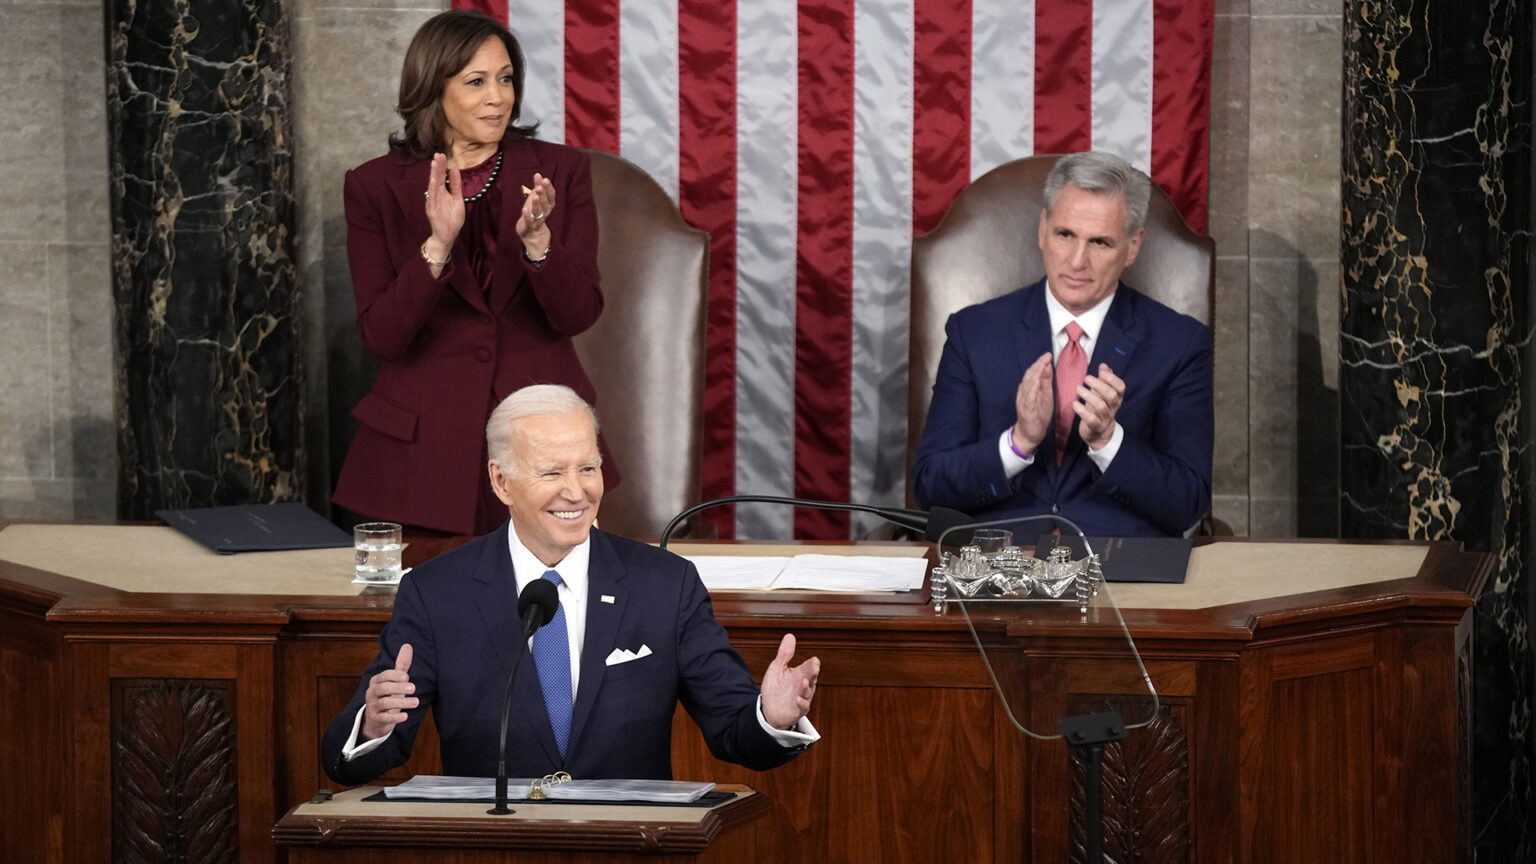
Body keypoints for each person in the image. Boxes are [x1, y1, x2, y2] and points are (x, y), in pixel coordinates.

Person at [321, 385, 821, 784]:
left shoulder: (665, 585)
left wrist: (772, 718)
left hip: (628, 845)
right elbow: (347, 762)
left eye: (588, 467)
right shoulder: (437, 593)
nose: (576, 491)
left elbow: (735, 732)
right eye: (552, 472)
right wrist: (372, 725)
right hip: (492, 847)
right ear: (501, 482)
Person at [333, 9, 618, 537]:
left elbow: (578, 313)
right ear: (433, 88)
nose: (498, 97)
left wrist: (540, 246)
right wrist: (437, 247)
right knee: (429, 615)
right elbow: (383, 336)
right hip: (423, 454)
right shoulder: (373, 187)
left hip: (540, 447)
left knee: (549, 610)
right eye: (476, 81)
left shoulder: (560, 172)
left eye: (506, 79)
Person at [911, 151, 1213, 537]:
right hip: (999, 571)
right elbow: (930, 486)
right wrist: (1018, 443)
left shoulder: (1179, 344)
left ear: (1133, 247)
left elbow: (1188, 502)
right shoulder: (974, 332)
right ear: (1042, 230)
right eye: (1065, 235)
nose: (1077, 260)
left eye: (1100, 242)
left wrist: (1108, 442)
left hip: (1120, 576)